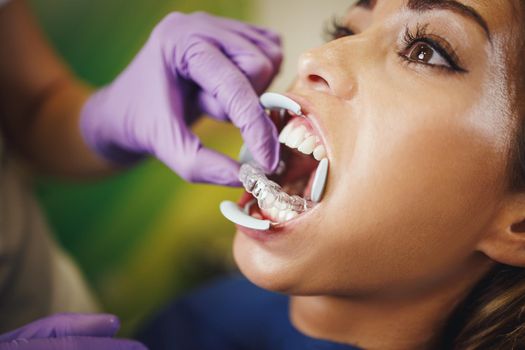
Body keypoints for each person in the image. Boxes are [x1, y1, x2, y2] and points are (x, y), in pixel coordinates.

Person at [137, 0, 525, 349]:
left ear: (520, 224)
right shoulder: (204, 316)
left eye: (426, 52)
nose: (314, 58)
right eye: (345, 30)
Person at [0, 0, 282, 348]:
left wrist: (103, 119)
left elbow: (32, 106)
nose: (313, 60)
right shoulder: (192, 324)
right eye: (342, 31)